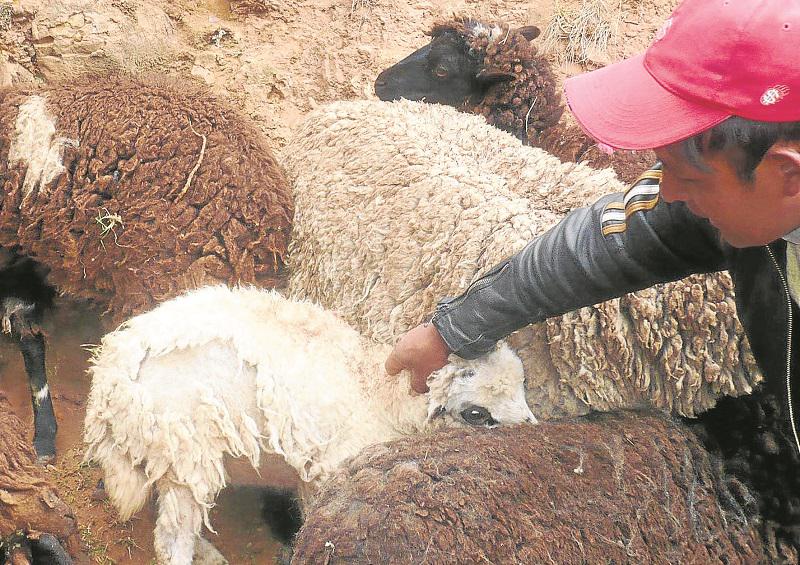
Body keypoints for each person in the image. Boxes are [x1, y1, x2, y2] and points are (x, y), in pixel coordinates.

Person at [384, 0, 800, 446]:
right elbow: (608, 240)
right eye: (663, 166)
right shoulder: (737, 204)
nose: (666, 192)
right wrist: (452, 329)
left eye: (689, 176)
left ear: (787, 174)